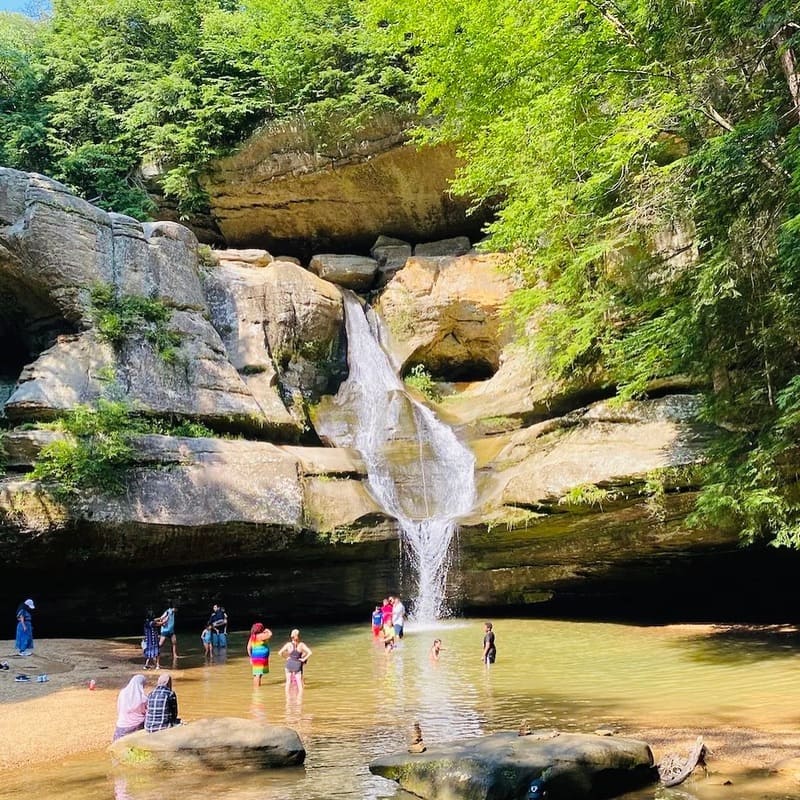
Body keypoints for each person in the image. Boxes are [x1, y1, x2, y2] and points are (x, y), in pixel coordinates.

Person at [113, 675, 148, 741]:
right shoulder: (143, 698)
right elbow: (146, 713)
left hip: (121, 726)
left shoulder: (122, 693)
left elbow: (119, 708)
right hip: (137, 727)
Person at [278, 629, 312, 694]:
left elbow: (280, 653)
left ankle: (287, 699)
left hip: (289, 664)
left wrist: (286, 658)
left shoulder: (288, 644)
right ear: (298, 636)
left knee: (288, 682)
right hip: (297, 664)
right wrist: (303, 659)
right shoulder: (301, 644)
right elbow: (310, 652)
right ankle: (299, 699)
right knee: (299, 684)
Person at [246, 622, 273, 687]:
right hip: (261, 657)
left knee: (256, 673)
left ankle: (256, 687)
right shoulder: (261, 636)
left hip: (255, 656)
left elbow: (248, 647)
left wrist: (251, 657)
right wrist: (267, 630)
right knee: (258, 674)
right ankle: (257, 688)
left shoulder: (253, 637)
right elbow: (270, 634)